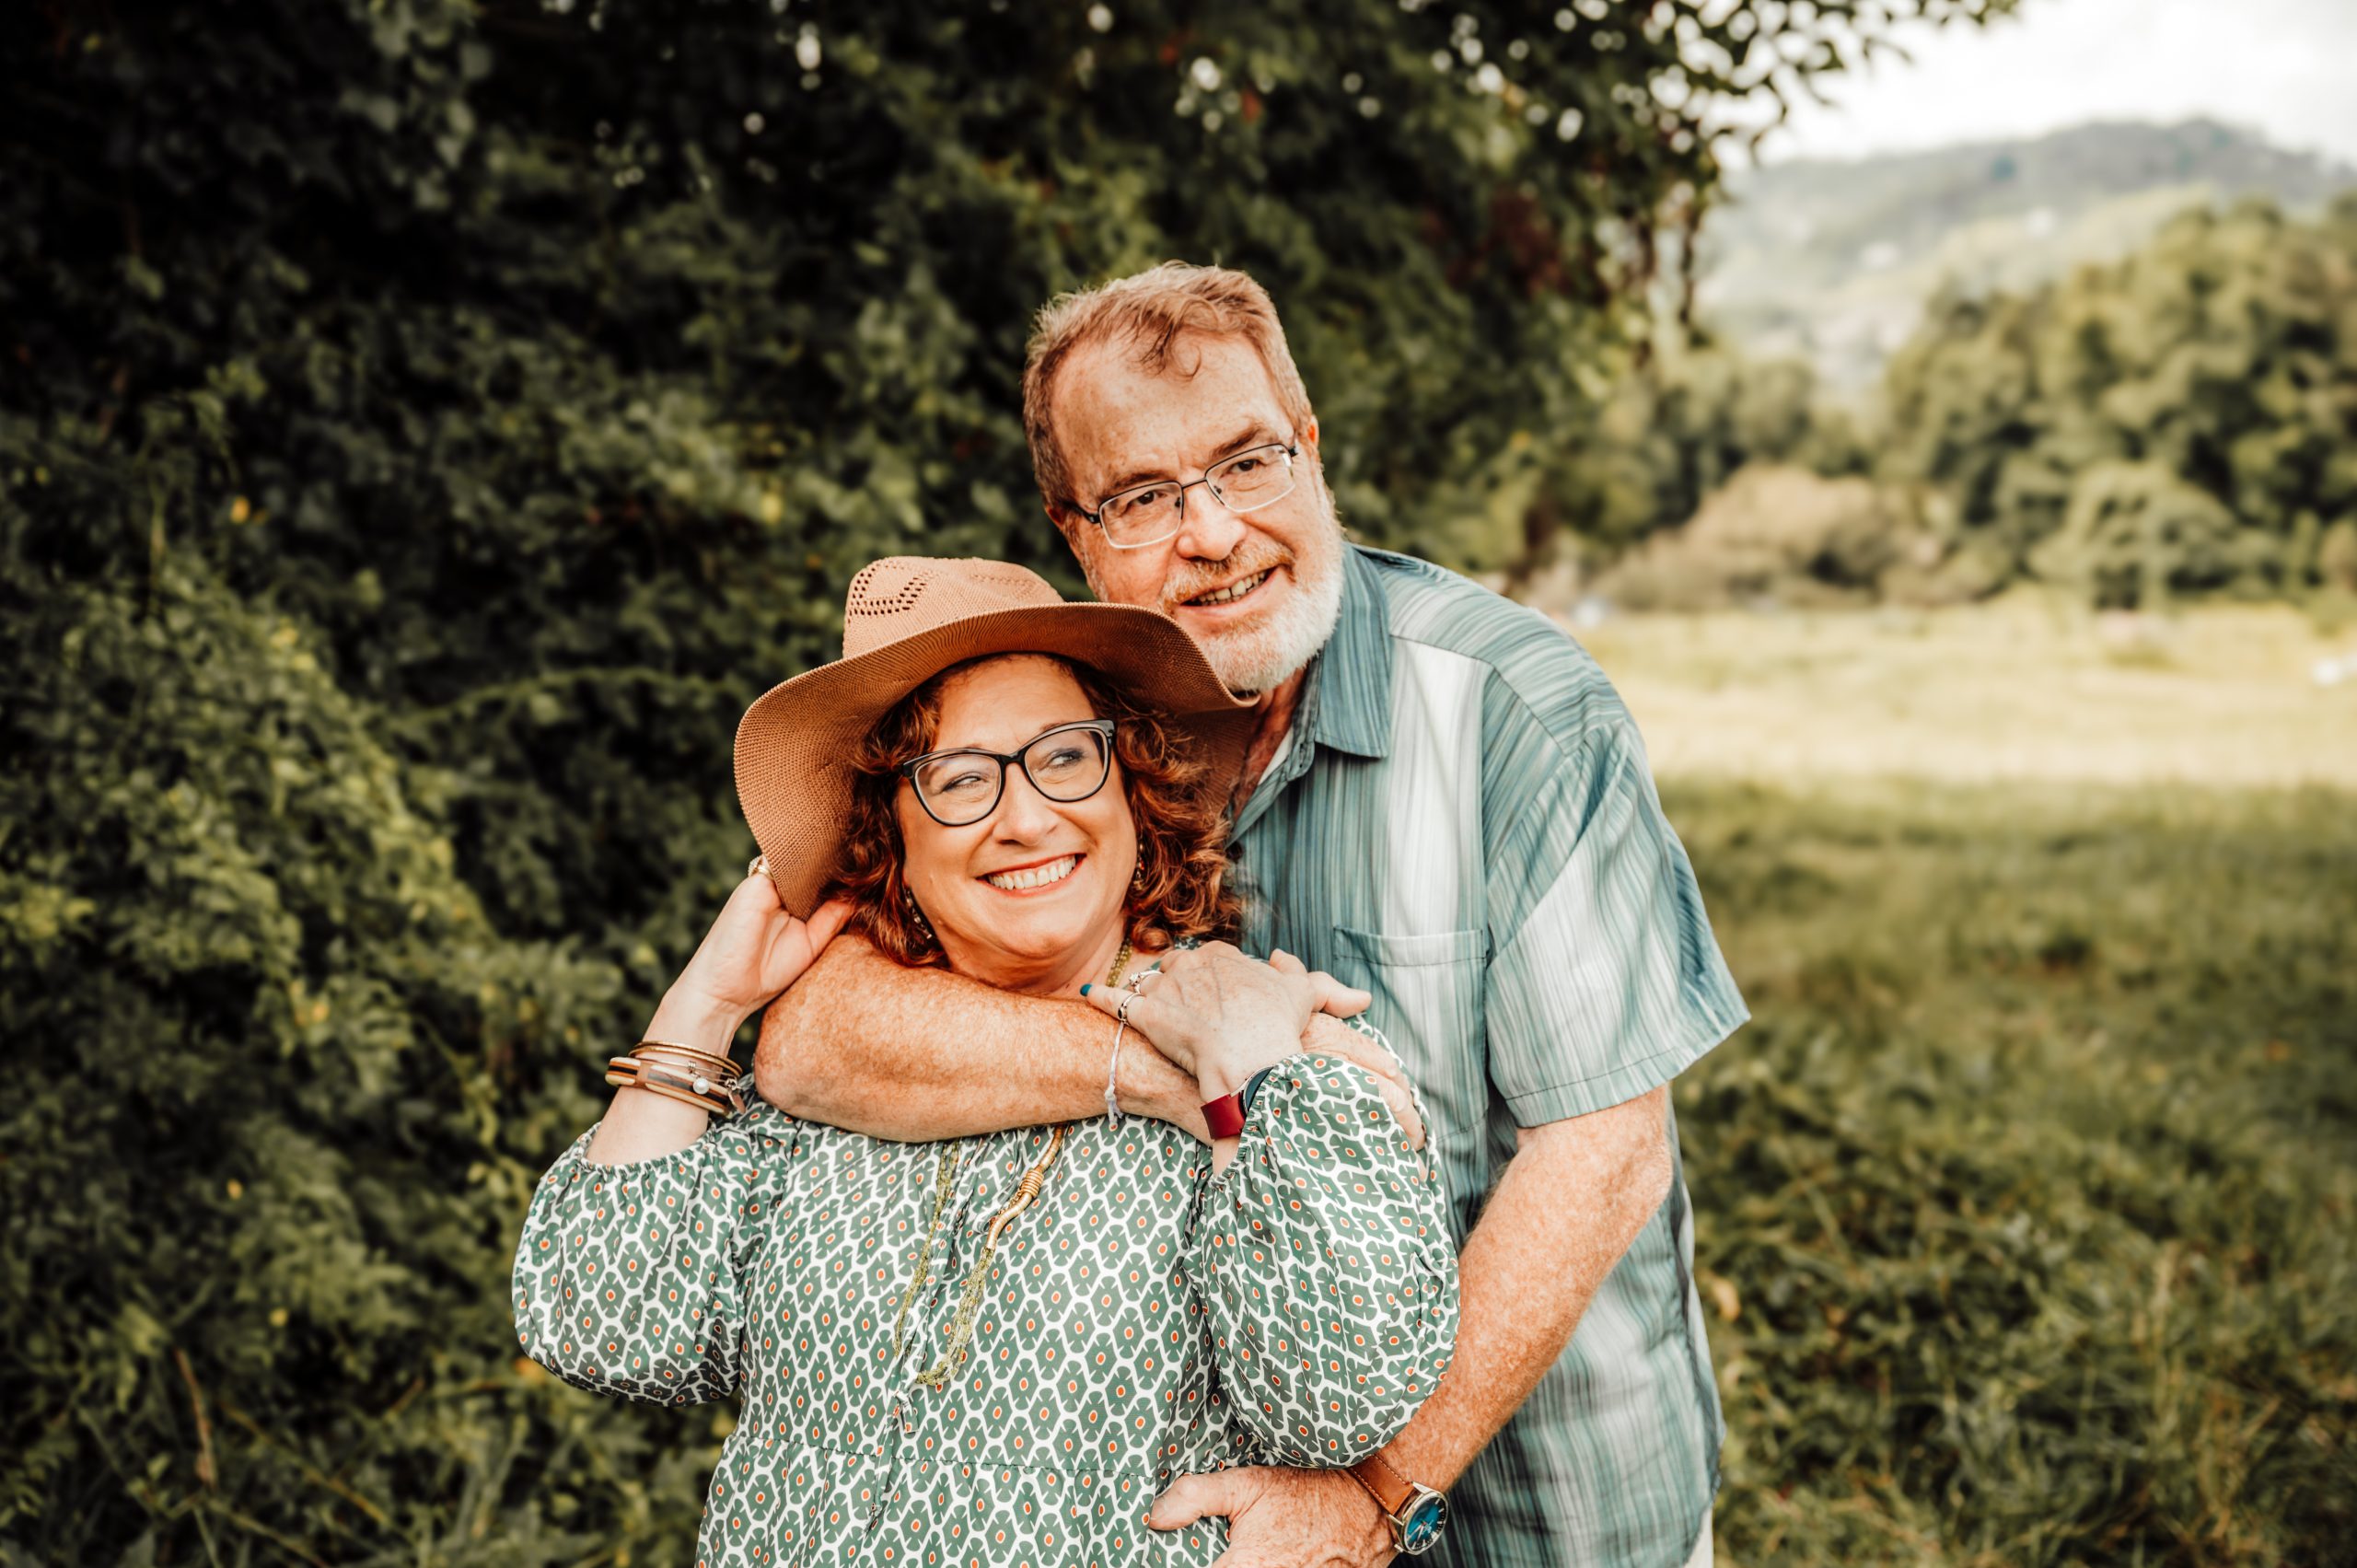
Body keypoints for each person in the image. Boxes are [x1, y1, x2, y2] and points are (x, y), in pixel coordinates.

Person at [748, 265, 1748, 1568]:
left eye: (1247, 462)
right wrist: (1201, 1063)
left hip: (1539, 1507)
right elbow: (815, 1034)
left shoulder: (1515, 711)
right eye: (1142, 495)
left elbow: (1606, 1153)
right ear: (1073, 529)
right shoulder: (1063, 733)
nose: (1214, 531)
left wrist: (1371, 1496)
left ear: (1311, 450)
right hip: (1204, 1524)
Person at [512, 556, 1460, 1568]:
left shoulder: (1280, 1052)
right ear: (888, 834)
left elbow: (1338, 1394)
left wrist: (1250, 1072)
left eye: (1064, 756)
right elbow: (601, 1321)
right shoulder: (824, 1096)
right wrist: (705, 1005)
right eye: (961, 779)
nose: (1026, 817)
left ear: (1134, 791)